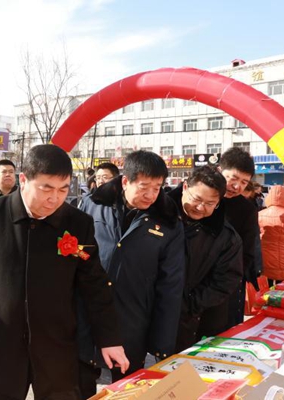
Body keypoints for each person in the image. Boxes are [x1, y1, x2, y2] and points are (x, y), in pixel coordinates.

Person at [0, 144, 129, 400]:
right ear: (24, 179)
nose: (55, 198)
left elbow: (94, 283)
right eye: (46, 188)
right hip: (1, 339)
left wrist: (109, 338)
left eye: (63, 189)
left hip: (57, 342)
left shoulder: (77, 223)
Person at [77, 150, 185, 397]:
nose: (151, 194)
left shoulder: (168, 222)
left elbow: (171, 284)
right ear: (126, 181)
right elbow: (76, 252)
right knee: (80, 384)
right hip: (87, 314)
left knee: (126, 390)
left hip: (132, 321)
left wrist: (162, 344)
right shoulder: (93, 205)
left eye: (157, 187)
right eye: (144, 186)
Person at [167, 166, 243, 352]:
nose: (201, 208)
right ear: (185, 187)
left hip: (191, 318)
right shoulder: (156, 218)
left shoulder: (226, 237)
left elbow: (226, 280)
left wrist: (188, 304)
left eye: (210, 203)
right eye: (197, 199)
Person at [215, 147, 261, 329]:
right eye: (233, 179)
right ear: (219, 171)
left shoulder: (246, 210)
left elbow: (247, 254)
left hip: (227, 288)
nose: (237, 187)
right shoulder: (196, 199)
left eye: (244, 182)